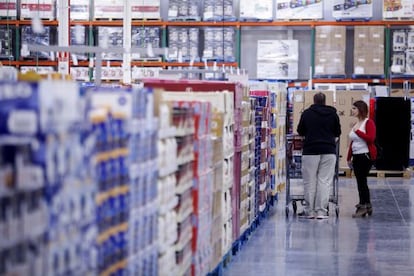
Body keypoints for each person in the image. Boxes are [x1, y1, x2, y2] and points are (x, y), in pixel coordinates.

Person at [297, 92, 341, 219]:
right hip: (328, 150)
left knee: (309, 181)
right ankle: (321, 211)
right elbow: (338, 132)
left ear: (314, 101)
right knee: (324, 181)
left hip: (310, 150)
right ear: (325, 101)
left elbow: (300, 131)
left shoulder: (307, 113)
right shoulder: (333, 114)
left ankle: (310, 211)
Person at [347, 100, 376, 218]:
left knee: (361, 181)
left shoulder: (368, 123)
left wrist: (358, 132)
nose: (352, 110)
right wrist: (349, 158)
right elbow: (352, 142)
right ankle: (366, 204)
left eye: (354, 108)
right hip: (357, 156)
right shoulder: (356, 124)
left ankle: (363, 205)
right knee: (360, 181)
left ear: (360, 109)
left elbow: (371, 139)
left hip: (365, 156)